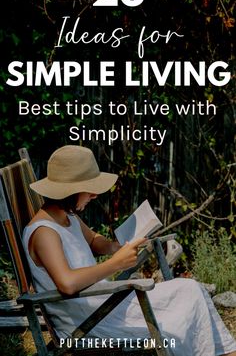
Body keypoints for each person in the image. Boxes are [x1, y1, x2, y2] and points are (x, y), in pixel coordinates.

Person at [23, 145, 236, 356]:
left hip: (101, 304)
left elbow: (94, 240)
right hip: (88, 323)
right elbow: (67, 284)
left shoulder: (67, 216)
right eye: (90, 189)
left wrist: (117, 246)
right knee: (178, 314)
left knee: (190, 290)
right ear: (71, 191)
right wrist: (116, 263)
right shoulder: (45, 233)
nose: (95, 195)